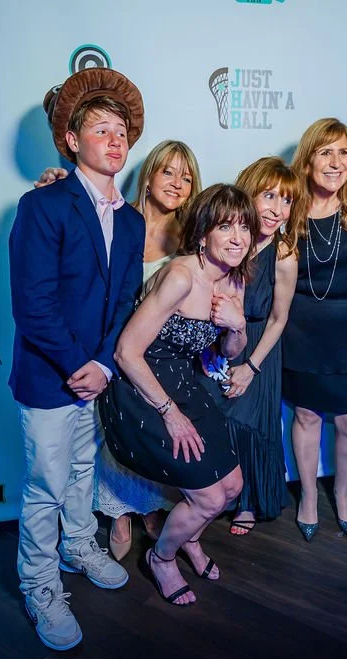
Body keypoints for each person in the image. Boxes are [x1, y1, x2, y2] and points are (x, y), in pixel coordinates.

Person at [8, 68, 145, 650]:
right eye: (101, 130)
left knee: (85, 469)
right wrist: (77, 366)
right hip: (49, 376)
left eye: (122, 132)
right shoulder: (43, 205)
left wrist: (106, 365)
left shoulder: (133, 220)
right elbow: (32, 304)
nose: (115, 141)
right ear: (70, 139)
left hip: (99, 376)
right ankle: (39, 584)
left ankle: (79, 545)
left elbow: (127, 302)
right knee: (46, 483)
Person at [36, 140, 203, 560]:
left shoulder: (191, 238)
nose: (177, 183)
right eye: (168, 172)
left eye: (186, 178)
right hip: (107, 346)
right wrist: (57, 183)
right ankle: (119, 511)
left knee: (148, 433)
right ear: (148, 176)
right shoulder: (113, 216)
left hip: (156, 355)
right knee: (110, 434)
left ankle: (148, 505)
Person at [100, 183, 252, 606]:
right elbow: (126, 352)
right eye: (226, 227)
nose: (238, 237)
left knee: (233, 486)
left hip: (182, 382)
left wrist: (238, 325)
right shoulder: (180, 277)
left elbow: (228, 352)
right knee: (208, 497)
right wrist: (170, 413)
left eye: (244, 227)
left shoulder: (234, 278)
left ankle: (189, 539)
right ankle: (162, 557)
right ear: (203, 234)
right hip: (140, 390)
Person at [281, 118, 347, 542]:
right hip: (304, 336)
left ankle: (342, 493)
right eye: (326, 152)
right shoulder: (289, 206)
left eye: (344, 152)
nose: (336, 161)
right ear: (307, 161)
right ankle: (308, 496)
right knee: (306, 416)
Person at [199, 157, 301, 536]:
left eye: (286, 200)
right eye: (269, 196)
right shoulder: (228, 238)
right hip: (217, 343)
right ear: (249, 193)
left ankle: (249, 501)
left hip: (260, 348)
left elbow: (279, 318)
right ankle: (217, 493)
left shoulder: (284, 254)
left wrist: (251, 368)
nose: (277, 209)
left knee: (250, 425)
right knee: (215, 419)